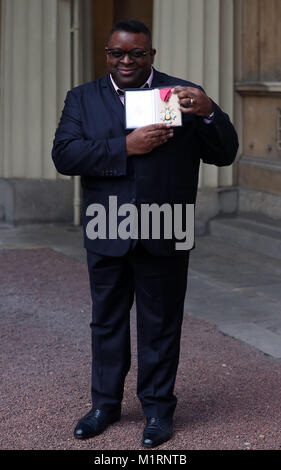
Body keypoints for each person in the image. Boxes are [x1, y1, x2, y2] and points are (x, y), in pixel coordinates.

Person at [52, 20, 239, 448]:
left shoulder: (183, 95)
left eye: (136, 53)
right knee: (107, 321)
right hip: (107, 225)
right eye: (117, 53)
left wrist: (210, 110)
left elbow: (225, 154)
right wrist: (126, 146)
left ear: (151, 55)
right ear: (107, 54)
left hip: (165, 226)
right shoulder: (82, 98)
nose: (126, 62)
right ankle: (105, 405)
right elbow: (64, 154)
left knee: (160, 324)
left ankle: (157, 411)